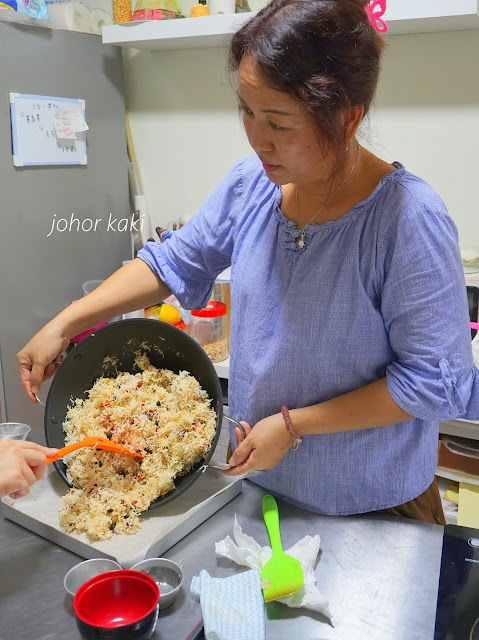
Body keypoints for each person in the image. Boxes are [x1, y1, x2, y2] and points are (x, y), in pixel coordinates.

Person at [17, 0, 479, 525]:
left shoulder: (407, 219)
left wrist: (294, 425)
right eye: (246, 112)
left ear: (348, 117)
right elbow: (173, 262)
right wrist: (66, 322)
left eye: (279, 123)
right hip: (263, 489)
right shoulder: (253, 184)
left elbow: (431, 384)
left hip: (376, 506)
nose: (258, 139)